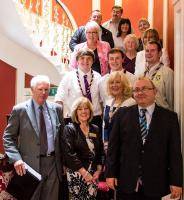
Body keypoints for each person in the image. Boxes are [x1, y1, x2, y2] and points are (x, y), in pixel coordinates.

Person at [106, 77, 183, 200]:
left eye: (144, 89)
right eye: (136, 90)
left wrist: (176, 181)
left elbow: (175, 153)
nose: (140, 93)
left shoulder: (169, 118)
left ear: (155, 91)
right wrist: (110, 174)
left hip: (157, 184)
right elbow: (113, 148)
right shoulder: (121, 115)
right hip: (127, 183)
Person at [3, 75, 64, 200]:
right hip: (29, 166)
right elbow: (8, 137)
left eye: (46, 89)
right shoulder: (19, 110)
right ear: (32, 90)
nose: (43, 93)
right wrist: (16, 159)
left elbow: (62, 137)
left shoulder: (57, 109)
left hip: (53, 164)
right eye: (40, 89)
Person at [61, 97, 104, 199]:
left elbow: (101, 152)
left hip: (93, 175)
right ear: (76, 112)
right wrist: (84, 173)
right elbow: (69, 154)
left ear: (90, 111)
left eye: (86, 108)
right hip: (77, 174)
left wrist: (99, 169)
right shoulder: (70, 129)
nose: (83, 111)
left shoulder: (95, 129)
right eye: (80, 109)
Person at [55, 48, 102, 129]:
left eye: (88, 59)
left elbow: (102, 100)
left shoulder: (98, 77)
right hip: (74, 119)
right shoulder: (69, 77)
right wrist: (58, 119)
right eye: (82, 58)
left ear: (92, 61)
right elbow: (59, 98)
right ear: (77, 61)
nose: (85, 61)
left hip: (94, 118)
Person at [103, 71, 136, 148]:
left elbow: (132, 130)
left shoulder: (131, 103)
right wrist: (105, 144)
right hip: (109, 147)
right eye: (112, 82)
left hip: (126, 147)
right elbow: (105, 127)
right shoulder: (108, 102)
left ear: (124, 84)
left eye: (118, 82)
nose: (114, 85)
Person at [143, 40, 173, 110]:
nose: (149, 53)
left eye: (153, 50)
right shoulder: (144, 74)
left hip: (163, 115)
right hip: (146, 113)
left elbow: (171, 100)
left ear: (160, 53)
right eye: (147, 51)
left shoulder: (167, 72)